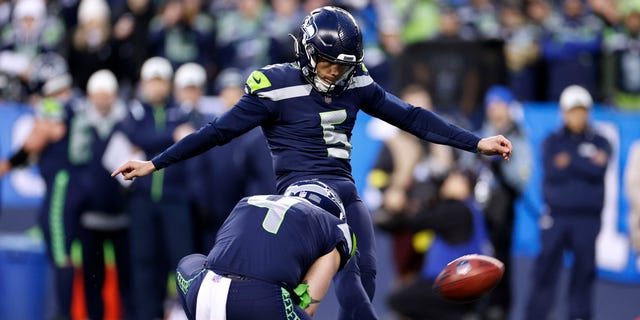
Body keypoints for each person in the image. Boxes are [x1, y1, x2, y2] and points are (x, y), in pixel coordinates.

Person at [112, 6, 512, 319]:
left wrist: (476, 143)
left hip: (345, 194)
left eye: (342, 66)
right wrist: (156, 163)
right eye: (327, 63)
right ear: (306, 51)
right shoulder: (275, 86)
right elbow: (217, 132)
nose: (335, 73)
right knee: (297, 291)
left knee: (361, 285)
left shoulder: (355, 82)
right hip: (300, 202)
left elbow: (411, 116)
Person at [175, 179, 355, 320]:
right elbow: (308, 305)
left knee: (191, 261)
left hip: (204, 288)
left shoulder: (248, 201)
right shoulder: (336, 228)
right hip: (261, 300)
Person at [525, 84, 611, 320]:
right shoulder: (552, 141)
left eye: (581, 110)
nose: (577, 116)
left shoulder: (601, 140)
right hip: (557, 216)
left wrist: (570, 160)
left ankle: (579, 316)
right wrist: (584, 162)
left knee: (584, 272)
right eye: (573, 110)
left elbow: (599, 170)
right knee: (545, 271)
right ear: (563, 112)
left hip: (587, 218)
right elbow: (553, 171)